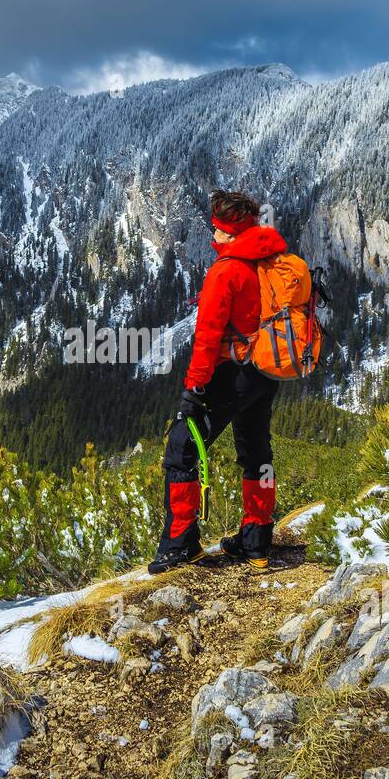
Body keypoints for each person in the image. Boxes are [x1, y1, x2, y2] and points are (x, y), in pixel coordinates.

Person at [149, 190, 287, 575]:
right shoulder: (268, 260)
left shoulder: (225, 271)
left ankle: (180, 544)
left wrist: (193, 390)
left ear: (229, 231)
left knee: (181, 448)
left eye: (217, 226)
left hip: (234, 374)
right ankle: (256, 542)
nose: (213, 230)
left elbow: (208, 338)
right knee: (257, 452)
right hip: (266, 371)